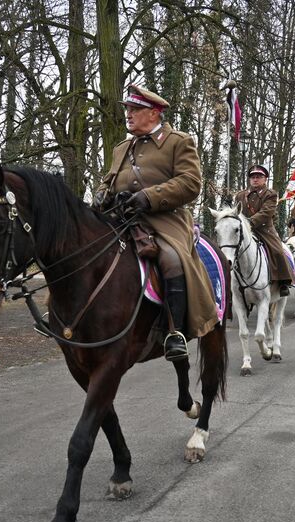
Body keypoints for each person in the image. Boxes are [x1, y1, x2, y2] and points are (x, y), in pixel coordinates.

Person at [95, 84, 218, 361]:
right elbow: (110, 177)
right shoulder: (122, 147)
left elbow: (190, 183)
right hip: (121, 216)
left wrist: (149, 197)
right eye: (127, 109)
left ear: (153, 113)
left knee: (171, 259)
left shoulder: (178, 141)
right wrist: (102, 191)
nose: (128, 114)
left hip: (164, 219)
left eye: (135, 109)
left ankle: (174, 332)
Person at [234, 165, 294, 296]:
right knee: (230, 251)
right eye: (253, 177)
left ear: (265, 179)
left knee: (278, 251)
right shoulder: (240, 195)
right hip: (244, 230)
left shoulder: (270, 194)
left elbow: (266, 212)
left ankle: (283, 281)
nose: (255, 179)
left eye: (259, 177)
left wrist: (249, 222)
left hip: (264, 230)